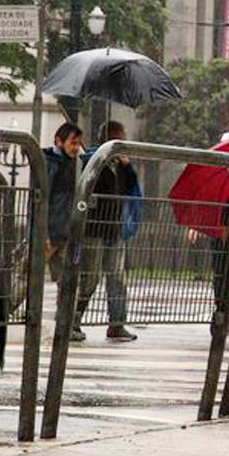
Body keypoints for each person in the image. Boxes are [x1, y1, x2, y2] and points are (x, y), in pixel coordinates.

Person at [74, 121, 141, 342]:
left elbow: (131, 184)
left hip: (114, 227)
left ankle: (117, 323)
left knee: (117, 277)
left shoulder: (120, 164)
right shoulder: (93, 160)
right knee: (90, 277)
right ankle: (74, 318)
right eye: (120, 137)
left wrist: (127, 165)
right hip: (94, 227)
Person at [45, 122, 84, 340]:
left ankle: (65, 327)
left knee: (68, 282)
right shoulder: (52, 164)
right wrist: (44, 233)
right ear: (58, 141)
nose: (76, 147)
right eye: (72, 142)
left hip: (67, 233)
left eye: (78, 143)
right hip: (50, 233)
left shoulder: (72, 164)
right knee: (25, 279)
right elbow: (42, 199)